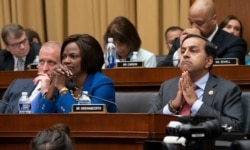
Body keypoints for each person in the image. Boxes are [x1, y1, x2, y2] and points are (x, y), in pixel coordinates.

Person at [151, 34, 243, 131]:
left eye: (193, 50)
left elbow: (234, 126)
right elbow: (149, 123)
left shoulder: (227, 89)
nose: (185, 54)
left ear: (208, 61)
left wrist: (195, 103)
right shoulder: (167, 86)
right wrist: (173, 106)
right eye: (182, 51)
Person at [33, 34, 116, 113]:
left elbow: (84, 119)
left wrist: (62, 89)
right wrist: (52, 88)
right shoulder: (63, 81)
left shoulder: (102, 83)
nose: (66, 61)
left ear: (88, 59)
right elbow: (39, 119)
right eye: (64, 57)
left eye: (73, 56)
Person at [157, 0, 247, 67]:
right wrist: (181, 50)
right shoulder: (181, 41)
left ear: (213, 19)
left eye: (199, 23)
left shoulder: (235, 43)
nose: (194, 28)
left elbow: (227, 71)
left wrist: (200, 42)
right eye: (191, 22)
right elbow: (161, 69)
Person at [0, 41, 61, 113]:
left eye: (51, 63)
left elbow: (43, 120)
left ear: (62, 66)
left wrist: (46, 93)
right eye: (41, 62)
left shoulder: (64, 93)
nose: (44, 69)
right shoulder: (17, 85)